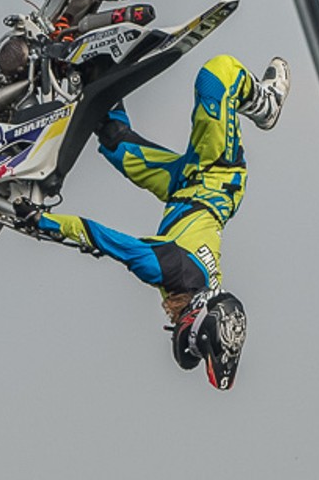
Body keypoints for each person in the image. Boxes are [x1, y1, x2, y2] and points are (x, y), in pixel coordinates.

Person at [24, 54, 291, 390]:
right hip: (215, 173)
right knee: (217, 74)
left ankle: (97, 67)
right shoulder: (172, 271)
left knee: (112, 138)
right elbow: (104, 239)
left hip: (182, 188)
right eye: (177, 319)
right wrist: (43, 222)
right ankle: (266, 105)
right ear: (195, 313)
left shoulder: (195, 285)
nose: (168, 314)